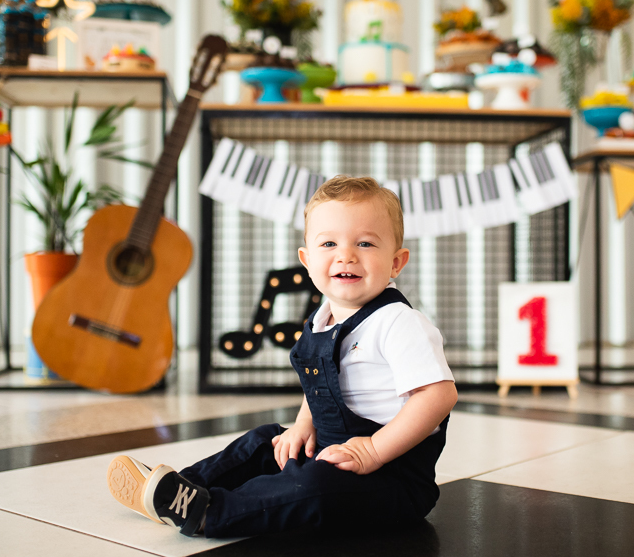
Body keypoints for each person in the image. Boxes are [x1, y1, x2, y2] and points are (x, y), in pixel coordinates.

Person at [106, 175, 458, 538]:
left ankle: (210, 512)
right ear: (307, 259)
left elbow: (438, 395)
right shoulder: (322, 319)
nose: (346, 255)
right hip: (329, 448)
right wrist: (303, 426)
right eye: (329, 243)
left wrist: (374, 450)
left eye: (366, 243)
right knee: (267, 442)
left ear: (396, 262)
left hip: (390, 478)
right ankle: (182, 485)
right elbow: (321, 386)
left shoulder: (398, 322)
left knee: (313, 489)